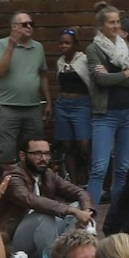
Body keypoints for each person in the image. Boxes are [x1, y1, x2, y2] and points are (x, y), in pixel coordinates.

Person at [0, 136, 95, 258]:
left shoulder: (47, 174)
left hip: (45, 234)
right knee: (44, 216)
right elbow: (32, 200)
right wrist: (71, 210)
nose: (43, 159)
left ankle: (73, 257)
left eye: (47, 154)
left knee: (78, 206)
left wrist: (85, 211)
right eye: (37, 154)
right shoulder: (12, 177)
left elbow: (78, 191)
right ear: (22, 155)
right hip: (14, 241)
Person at [83, 4, 129, 203]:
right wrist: (125, 74)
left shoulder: (125, 48)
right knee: (100, 167)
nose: (116, 26)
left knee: (123, 167)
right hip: (105, 115)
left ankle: (117, 211)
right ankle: (89, 214)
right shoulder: (93, 49)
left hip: (128, 113)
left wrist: (114, 76)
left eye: (118, 21)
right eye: (112, 22)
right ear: (101, 26)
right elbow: (101, 80)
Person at [0, 11, 53, 165]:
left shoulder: (38, 47)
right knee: (6, 150)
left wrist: (48, 101)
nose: (29, 27)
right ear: (14, 27)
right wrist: (11, 47)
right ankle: (7, 186)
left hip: (32, 107)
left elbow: (43, 75)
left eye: (32, 24)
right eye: (25, 24)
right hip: (7, 106)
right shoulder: (1, 44)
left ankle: (30, 185)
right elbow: (0, 71)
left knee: (34, 150)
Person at [49, 28, 93, 184]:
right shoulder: (60, 61)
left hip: (81, 104)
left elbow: (92, 81)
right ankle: (73, 184)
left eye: (67, 43)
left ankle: (90, 178)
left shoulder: (84, 59)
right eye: (61, 43)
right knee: (66, 145)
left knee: (84, 144)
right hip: (63, 105)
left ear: (75, 44)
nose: (63, 46)